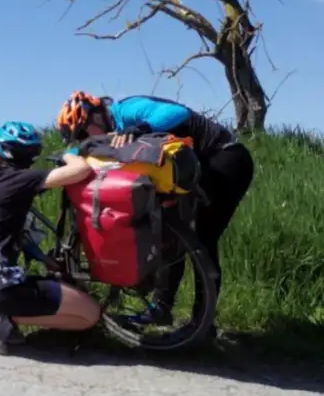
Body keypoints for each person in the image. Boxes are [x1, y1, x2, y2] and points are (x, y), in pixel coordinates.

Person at [55, 91, 256, 335]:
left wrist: (140, 127)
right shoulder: (110, 131)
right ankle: (161, 308)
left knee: (201, 239)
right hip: (194, 170)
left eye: (84, 132)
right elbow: (90, 149)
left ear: (95, 119)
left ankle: (203, 325)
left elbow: (178, 113)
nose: (86, 138)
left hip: (225, 159)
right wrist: (68, 158)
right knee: (169, 235)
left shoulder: (127, 110)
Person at [0, 121, 101, 355]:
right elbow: (80, 171)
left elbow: (7, 229)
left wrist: (42, 258)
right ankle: (4, 318)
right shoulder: (24, 180)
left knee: (59, 294)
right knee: (90, 314)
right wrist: (71, 153)